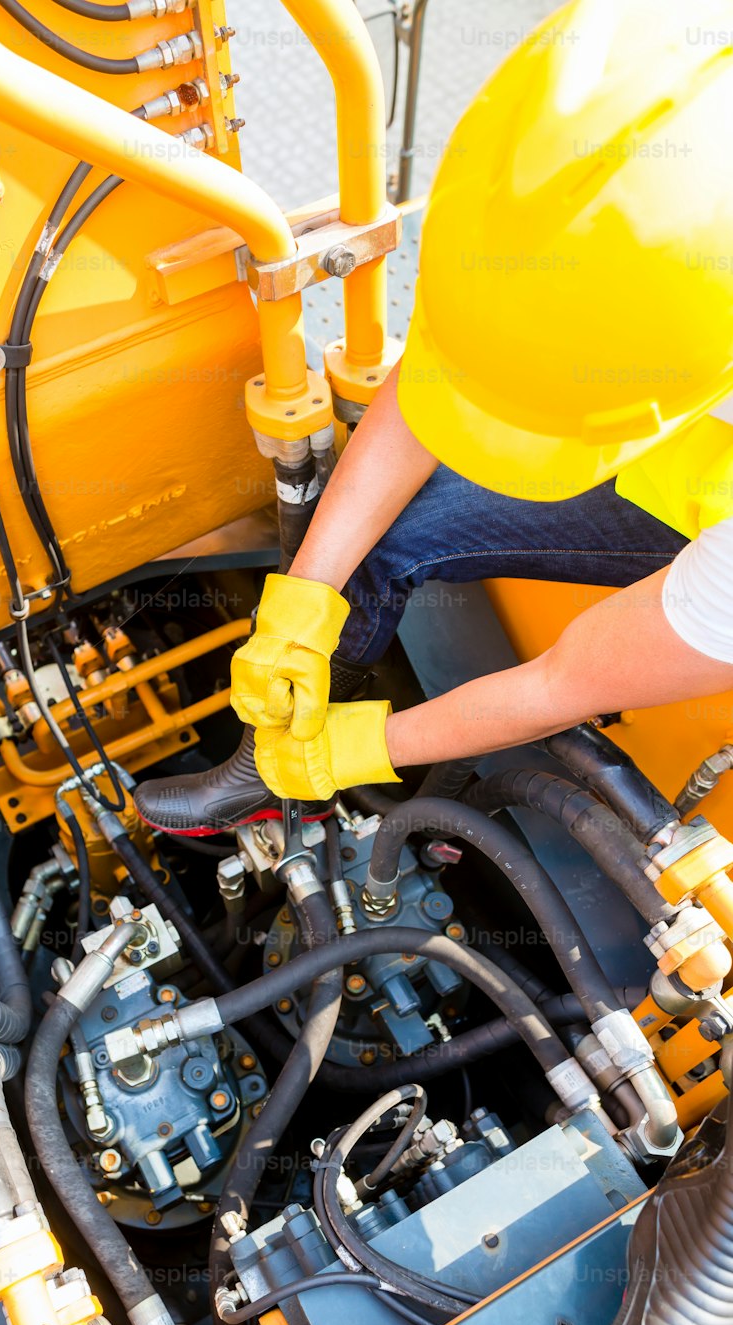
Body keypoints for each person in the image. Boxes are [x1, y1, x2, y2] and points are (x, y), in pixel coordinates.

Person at [134, 0, 733, 839]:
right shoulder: (625, 124)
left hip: (704, 513)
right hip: (655, 420)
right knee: (382, 539)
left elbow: (566, 681)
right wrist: (303, 599)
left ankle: (303, 788)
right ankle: (261, 756)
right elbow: (450, 368)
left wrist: (354, 751)